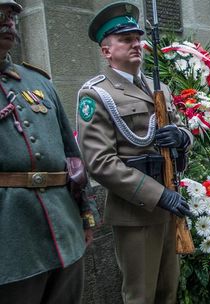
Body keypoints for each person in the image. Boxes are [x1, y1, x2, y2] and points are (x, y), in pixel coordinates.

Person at [76, 3, 193, 303]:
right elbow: (99, 163)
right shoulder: (97, 94)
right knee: (141, 295)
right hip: (137, 213)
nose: (135, 44)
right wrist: (158, 195)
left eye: (136, 38)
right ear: (106, 51)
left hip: (169, 206)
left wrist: (181, 137)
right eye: (125, 39)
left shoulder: (159, 89)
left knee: (169, 291)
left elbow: (184, 133)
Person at [0, 1, 99, 303]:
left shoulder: (38, 82)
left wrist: (86, 214)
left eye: (11, 17)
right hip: (11, 240)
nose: (8, 23)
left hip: (64, 229)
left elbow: (73, 156)